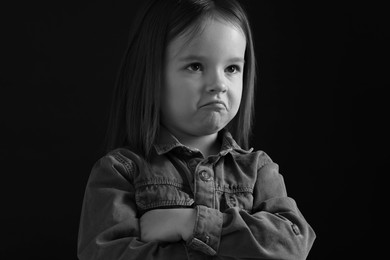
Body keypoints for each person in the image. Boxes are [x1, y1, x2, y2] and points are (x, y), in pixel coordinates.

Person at [77, 0, 316, 259]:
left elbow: (293, 244)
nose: (219, 84)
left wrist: (190, 223)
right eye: (196, 66)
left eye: (232, 68)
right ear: (151, 73)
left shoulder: (258, 170)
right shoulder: (120, 171)